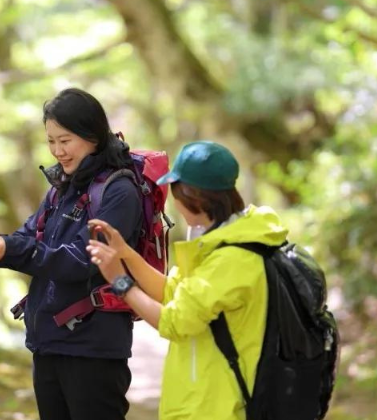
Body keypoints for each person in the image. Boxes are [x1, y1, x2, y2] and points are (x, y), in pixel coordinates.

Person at [0, 88, 143, 420]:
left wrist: (12, 249)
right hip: (49, 342)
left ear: (92, 136)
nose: (58, 151)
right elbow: (27, 237)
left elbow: (79, 260)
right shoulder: (62, 188)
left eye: (66, 140)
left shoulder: (119, 192)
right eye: (51, 142)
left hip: (93, 348)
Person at [86, 141, 289, 420]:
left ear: (193, 197)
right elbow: (173, 293)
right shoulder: (218, 242)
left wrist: (121, 282)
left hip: (220, 406)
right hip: (199, 399)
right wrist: (127, 254)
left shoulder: (233, 259)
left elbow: (174, 321)